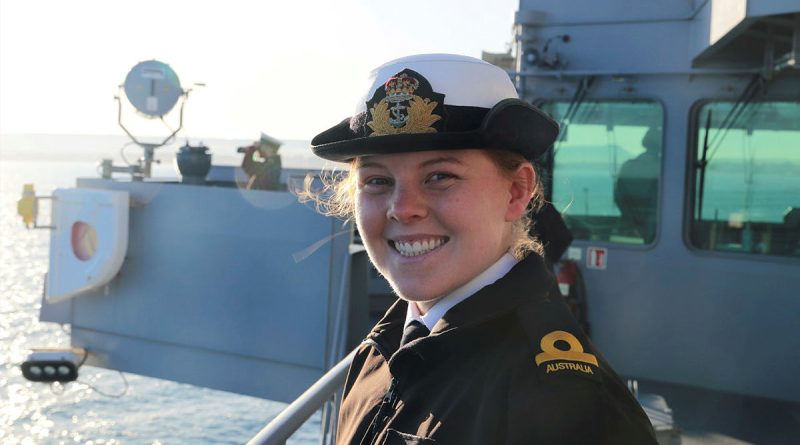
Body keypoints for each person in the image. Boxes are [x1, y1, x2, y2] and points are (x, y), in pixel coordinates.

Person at [306, 54, 657, 444]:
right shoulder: (379, 351)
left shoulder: (567, 406)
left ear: (516, 191)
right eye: (376, 181)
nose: (402, 209)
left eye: (440, 176)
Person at [614, 127, 661, 243]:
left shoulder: (627, 166)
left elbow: (618, 197)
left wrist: (631, 219)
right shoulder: (665, 168)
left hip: (629, 228)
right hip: (654, 227)